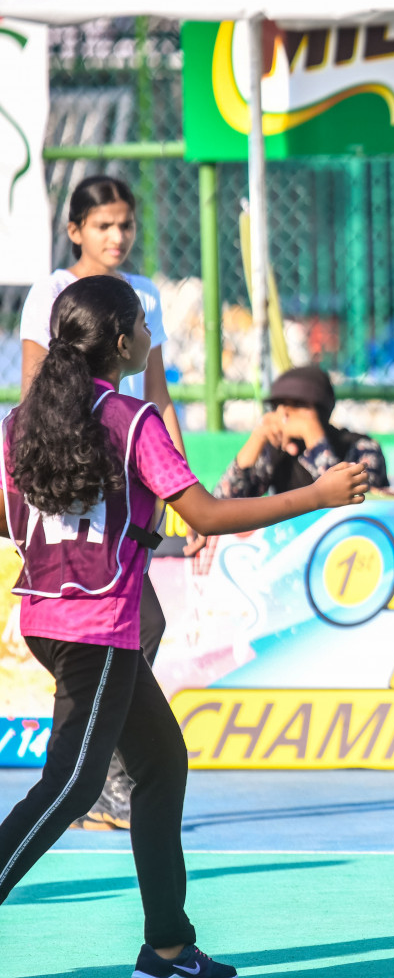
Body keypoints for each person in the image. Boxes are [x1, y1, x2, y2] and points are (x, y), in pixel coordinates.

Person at [0, 276, 367, 976]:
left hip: (51, 615)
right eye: (142, 324)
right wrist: (314, 496)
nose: (150, 336)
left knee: (161, 766)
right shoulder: (131, 421)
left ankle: (168, 946)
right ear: (121, 341)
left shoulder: (22, 423)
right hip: (98, 626)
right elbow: (202, 514)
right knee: (71, 786)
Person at [19, 175, 181, 832]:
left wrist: (177, 480)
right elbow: (37, 392)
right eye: (104, 225)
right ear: (76, 230)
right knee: (120, 629)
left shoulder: (143, 300)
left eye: (127, 226)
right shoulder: (54, 294)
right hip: (78, 477)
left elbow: (159, 396)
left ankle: (92, 776)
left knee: (134, 630)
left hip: (132, 472)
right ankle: (94, 775)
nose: (118, 237)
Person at [213, 365, 388, 499]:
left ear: (321, 410)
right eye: (278, 405)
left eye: (296, 405)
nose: (283, 413)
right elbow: (221, 506)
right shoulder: (278, 451)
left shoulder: (362, 448)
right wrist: (255, 442)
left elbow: (347, 505)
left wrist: (314, 437)